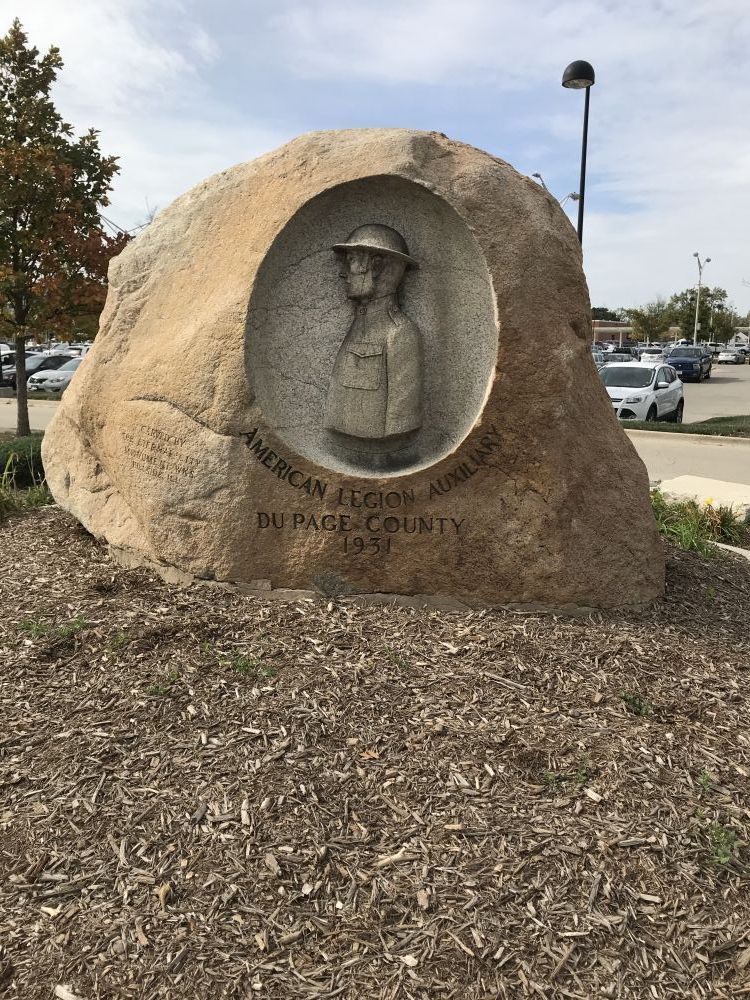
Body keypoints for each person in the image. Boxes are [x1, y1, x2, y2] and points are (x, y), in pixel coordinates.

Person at [324, 224, 422, 440]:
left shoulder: (399, 333)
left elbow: (402, 420)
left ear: (376, 267)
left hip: (377, 448)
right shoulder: (359, 324)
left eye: (351, 261)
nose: (343, 273)